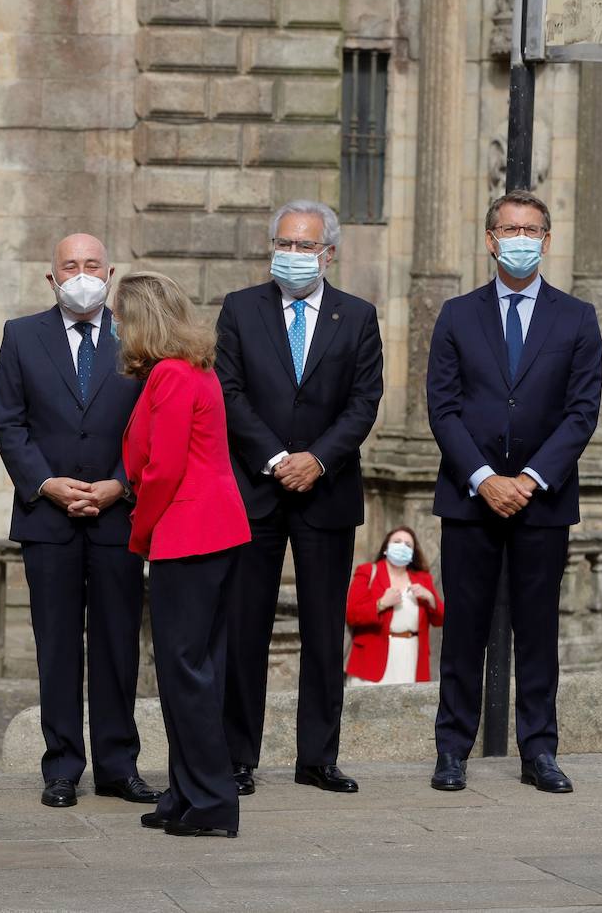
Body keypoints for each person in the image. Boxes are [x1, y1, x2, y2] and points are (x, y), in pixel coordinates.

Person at [426, 190, 602, 794]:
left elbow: (581, 413)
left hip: (543, 502)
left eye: (531, 229)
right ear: (490, 239)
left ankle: (539, 751)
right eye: (509, 228)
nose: (520, 238)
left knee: (538, 630)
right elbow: (443, 409)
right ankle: (452, 749)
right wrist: (483, 479)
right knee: (464, 629)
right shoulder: (456, 314)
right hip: (470, 498)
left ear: (547, 241)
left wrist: (527, 480)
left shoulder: (577, 318)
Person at [215, 200, 383, 796]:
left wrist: (317, 459)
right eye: (284, 244)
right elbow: (228, 392)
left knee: (321, 627)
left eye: (305, 246)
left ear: (328, 253)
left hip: (326, 490)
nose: (292, 255)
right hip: (255, 490)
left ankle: (318, 757)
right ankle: (238, 758)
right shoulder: (239, 309)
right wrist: (276, 458)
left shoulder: (357, 317)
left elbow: (364, 402)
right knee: (244, 629)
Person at [0, 233, 160, 810]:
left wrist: (122, 482)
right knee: (56, 646)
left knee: (118, 645)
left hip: (120, 516)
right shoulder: (21, 336)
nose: (81, 273)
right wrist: (47, 483)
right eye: (70, 265)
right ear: (52, 277)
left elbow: (152, 422)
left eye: (92, 264)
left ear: (109, 273)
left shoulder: (139, 339)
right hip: (48, 517)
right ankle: (61, 765)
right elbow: (9, 422)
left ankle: (119, 764)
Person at [114, 272, 251, 839]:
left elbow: (163, 468)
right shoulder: (195, 370)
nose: (118, 329)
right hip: (216, 530)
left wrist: (140, 531)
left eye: (123, 319)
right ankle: (186, 791)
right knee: (194, 670)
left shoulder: (170, 375)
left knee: (185, 671)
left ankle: (212, 800)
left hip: (187, 532)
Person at [344, 527, 444, 686]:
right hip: (371, 660)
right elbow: (351, 614)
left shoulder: (423, 579)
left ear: (413, 553)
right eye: (397, 542)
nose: (402, 546)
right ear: (386, 548)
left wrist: (430, 598)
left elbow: (441, 619)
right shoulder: (368, 571)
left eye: (408, 544)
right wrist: (381, 603)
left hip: (411, 658)